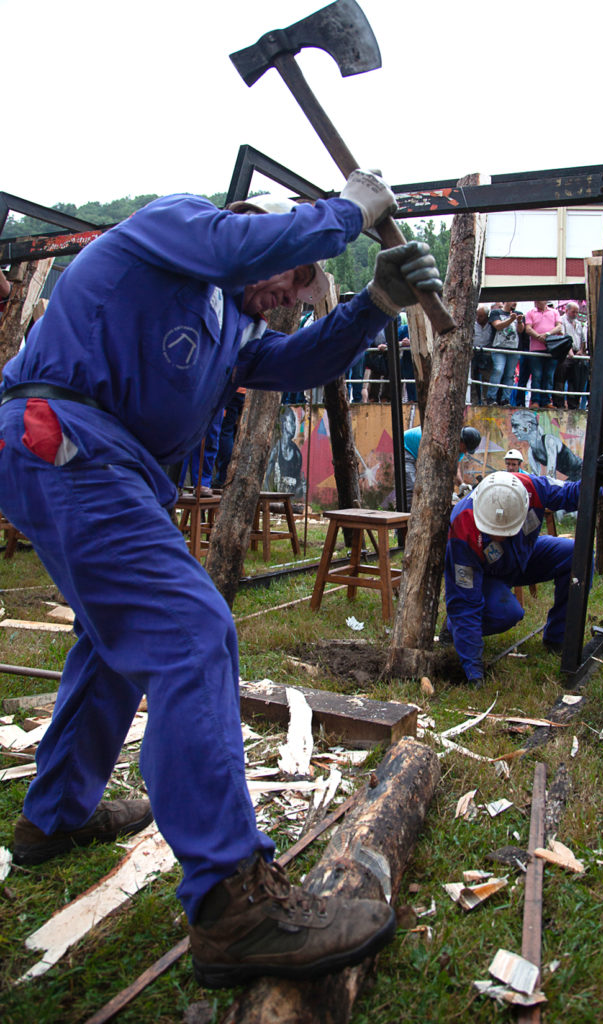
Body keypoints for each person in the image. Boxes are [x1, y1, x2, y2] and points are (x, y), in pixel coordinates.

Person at [0, 172, 443, 987]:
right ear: (253, 234)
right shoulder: (179, 232)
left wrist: (371, 304)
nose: (284, 298)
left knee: (113, 647)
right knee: (190, 632)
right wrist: (349, 212)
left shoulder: (226, 328)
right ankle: (231, 906)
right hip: (63, 436)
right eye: (288, 280)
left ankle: (53, 818)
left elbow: (295, 360)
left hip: (103, 464)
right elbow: (238, 248)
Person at [443, 460, 603, 685]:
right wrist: (473, 670)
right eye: (492, 531)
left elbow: (571, 494)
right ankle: (452, 628)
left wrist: (593, 482)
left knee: (577, 554)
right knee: (507, 613)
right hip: (488, 575)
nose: (498, 535)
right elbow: (464, 602)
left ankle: (558, 638)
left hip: (522, 556)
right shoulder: (463, 527)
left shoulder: (533, 488)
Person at [403, 425, 481, 509]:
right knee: (411, 487)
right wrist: (444, 494)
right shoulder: (441, 443)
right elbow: (434, 471)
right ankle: (406, 515)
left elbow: (454, 469)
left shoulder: (459, 449)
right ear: (461, 441)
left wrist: (461, 484)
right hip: (406, 446)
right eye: (466, 448)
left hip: (423, 451)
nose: (466, 452)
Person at [510, 408, 583, 481]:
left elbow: (551, 475)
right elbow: (535, 478)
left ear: (528, 426)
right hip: (573, 475)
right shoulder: (531, 452)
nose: (513, 431)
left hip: (582, 470)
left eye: (516, 426)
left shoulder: (549, 441)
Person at [525, 299, 564, 409]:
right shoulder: (530, 313)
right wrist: (538, 337)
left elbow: (559, 327)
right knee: (537, 375)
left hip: (551, 349)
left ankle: (546, 400)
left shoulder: (554, 312)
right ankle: (536, 400)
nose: (536, 302)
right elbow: (528, 329)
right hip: (536, 349)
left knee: (549, 376)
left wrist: (547, 335)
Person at [486, 301, 524, 406]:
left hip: (513, 348)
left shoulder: (519, 313)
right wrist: (511, 319)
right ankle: (491, 398)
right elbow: (498, 326)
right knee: (498, 370)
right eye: (513, 300)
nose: (515, 303)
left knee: (510, 375)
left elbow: (520, 330)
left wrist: (519, 321)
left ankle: (505, 399)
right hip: (499, 347)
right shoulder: (496, 313)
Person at [554, 301, 588, 410]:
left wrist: (581, 350)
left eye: (577, 312)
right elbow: (563, 337)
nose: (575, 314)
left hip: (576, 353)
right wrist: (570, 352)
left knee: (575, 380)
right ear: (567, 310)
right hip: (565, 352)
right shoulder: (561, 321)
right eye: (573, 312)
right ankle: (559, 403)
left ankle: (573, 404)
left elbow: (583, 339)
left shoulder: (578, 323)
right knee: (560, 379)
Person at [470, 304, 494, 404]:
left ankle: (485, 400)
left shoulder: (492, 325)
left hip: (487, 353)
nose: (478, 318)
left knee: (486, 378)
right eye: (477, 315)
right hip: (473, 353)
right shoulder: (472, 324)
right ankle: (474, 400)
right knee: (472, 378)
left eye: (481, 316)